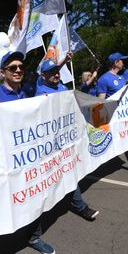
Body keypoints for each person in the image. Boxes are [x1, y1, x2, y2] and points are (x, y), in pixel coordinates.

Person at [0, 51, 56, 254]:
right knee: (7, 200)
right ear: (3, 72)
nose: (18, 71)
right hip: (4, 162)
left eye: (21, 67)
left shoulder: (28, 94)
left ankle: (34, 236)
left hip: (28, 159)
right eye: (13, 68)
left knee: (35, 193)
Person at [36, 55, 100, 221]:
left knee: (68, 171)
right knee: (55, 176)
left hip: (66, 139)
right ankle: (76, 205)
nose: (55, 75)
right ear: (43, 76)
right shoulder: (40, 91)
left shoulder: (63, 88)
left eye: (57, 71)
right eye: (51, 72)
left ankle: (75, 203)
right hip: (50, 143)